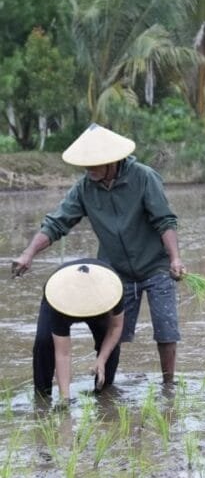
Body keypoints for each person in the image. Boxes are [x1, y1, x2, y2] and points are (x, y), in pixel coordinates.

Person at [12, 124, 185, 395]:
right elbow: (57, 223)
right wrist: (28, 254)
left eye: (94, 165)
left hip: (156, 265)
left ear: (111, 161)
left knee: (166, 329)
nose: (89, 171)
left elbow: (165, 220)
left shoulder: (143, 178)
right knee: (113, 333)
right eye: (85, 166)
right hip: (114, 270)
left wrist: (175, 258)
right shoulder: (84, 188)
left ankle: (168, 386)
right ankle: (106, 386)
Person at [37, 259, 124, 403]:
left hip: (100, 302)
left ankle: (104, 397)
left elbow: (116, 327)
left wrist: (101, 360)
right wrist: (65, 398)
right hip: (62, 298)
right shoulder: (58, 297)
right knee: (44, 341)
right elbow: (63, 353)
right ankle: (42, 398)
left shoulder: (113, 287)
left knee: (110, 348)